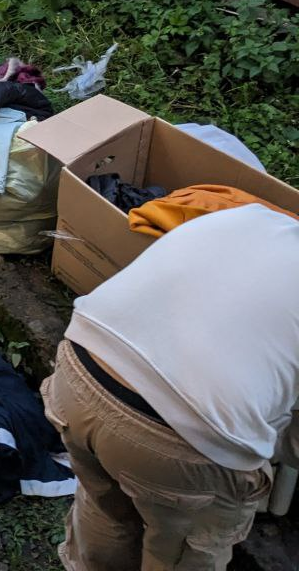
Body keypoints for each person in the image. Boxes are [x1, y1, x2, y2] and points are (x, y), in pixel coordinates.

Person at [41, 204, 299, 570]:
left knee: (103, 509)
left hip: (80, 366)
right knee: (177, 554)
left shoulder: (250, 216)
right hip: (184, 441)